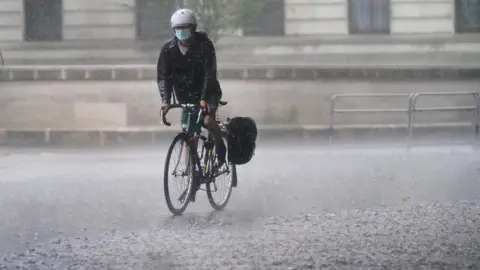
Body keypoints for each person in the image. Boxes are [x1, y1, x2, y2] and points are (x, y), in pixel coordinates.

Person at [157, 8, 227, 201]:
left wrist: (205, 99)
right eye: (177, 29)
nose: (181, 32)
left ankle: (220, 147)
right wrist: (165, 101)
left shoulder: (205, 45)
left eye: (185, 28)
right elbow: (163, 77)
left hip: (208, 91)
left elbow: (209, 74)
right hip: (186, 96)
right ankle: (192, 179)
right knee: (189, 133)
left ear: (193, 28)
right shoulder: (168, 50)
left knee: (206, 121)